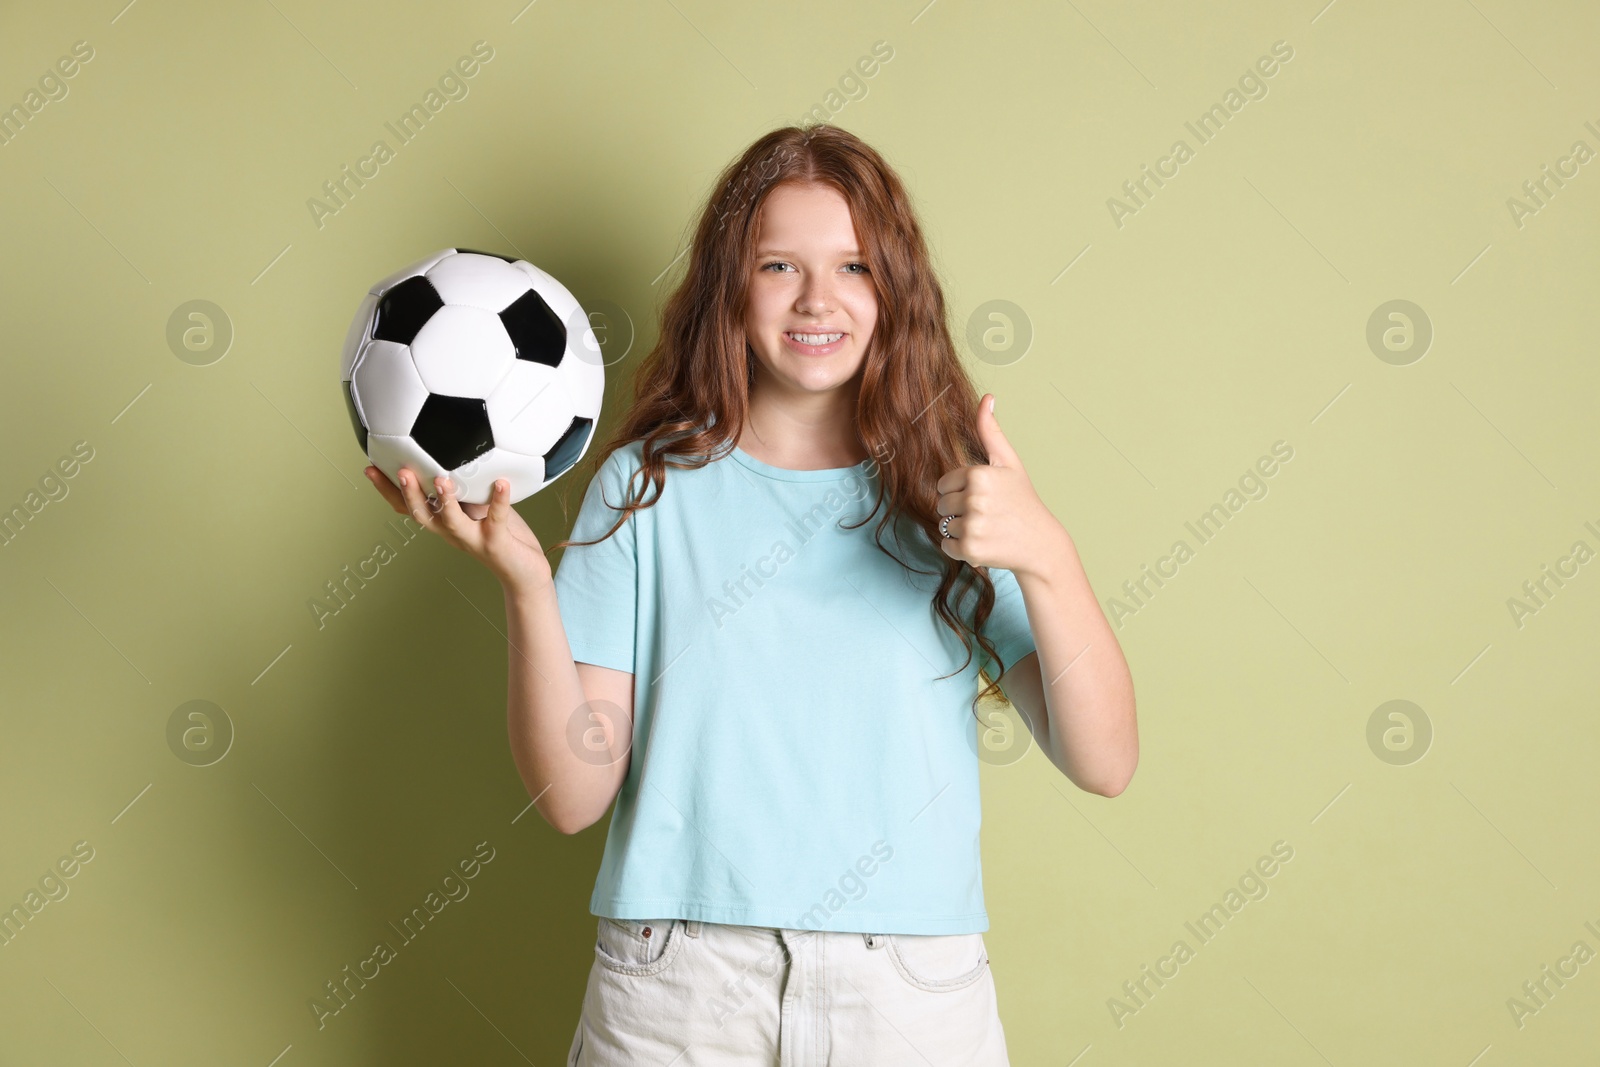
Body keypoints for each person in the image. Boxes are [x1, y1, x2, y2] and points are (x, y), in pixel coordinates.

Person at [363, 124, 1137, 1066]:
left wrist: (1048, 553)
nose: (819, 298)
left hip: (908, 989)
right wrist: (529, 585)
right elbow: (573, 796)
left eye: (855, 265)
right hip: (678, 989)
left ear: (897, 290)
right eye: (779, 264)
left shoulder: (956, 493)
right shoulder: (645, 486)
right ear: (730, 287)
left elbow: (1105, 759)